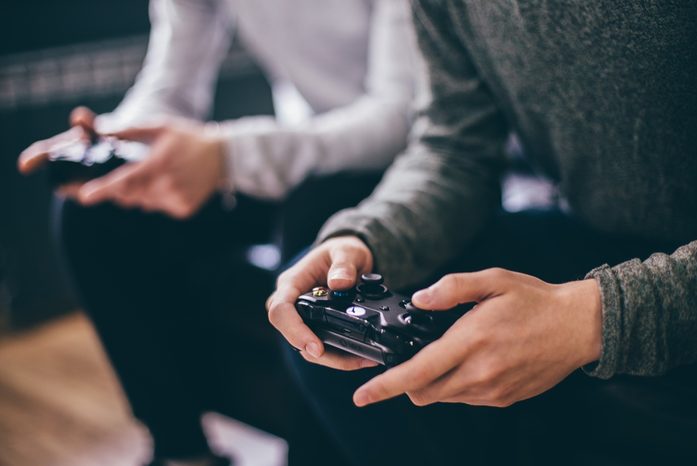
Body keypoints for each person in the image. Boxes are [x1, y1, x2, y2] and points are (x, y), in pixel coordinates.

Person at [268, 1, 697, 465]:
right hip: (600, 232)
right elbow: (456, 146)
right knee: (317, 312)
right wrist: (366, 238)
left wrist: (600, 314)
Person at [17, 1, 416, 465]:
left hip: (394, 163)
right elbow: (171, 85)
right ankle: (181, 451)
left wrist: (227, 155)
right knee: (95, 212)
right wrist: (119, 142)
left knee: (316, 213)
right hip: (296, 152)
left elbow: (399, 117)